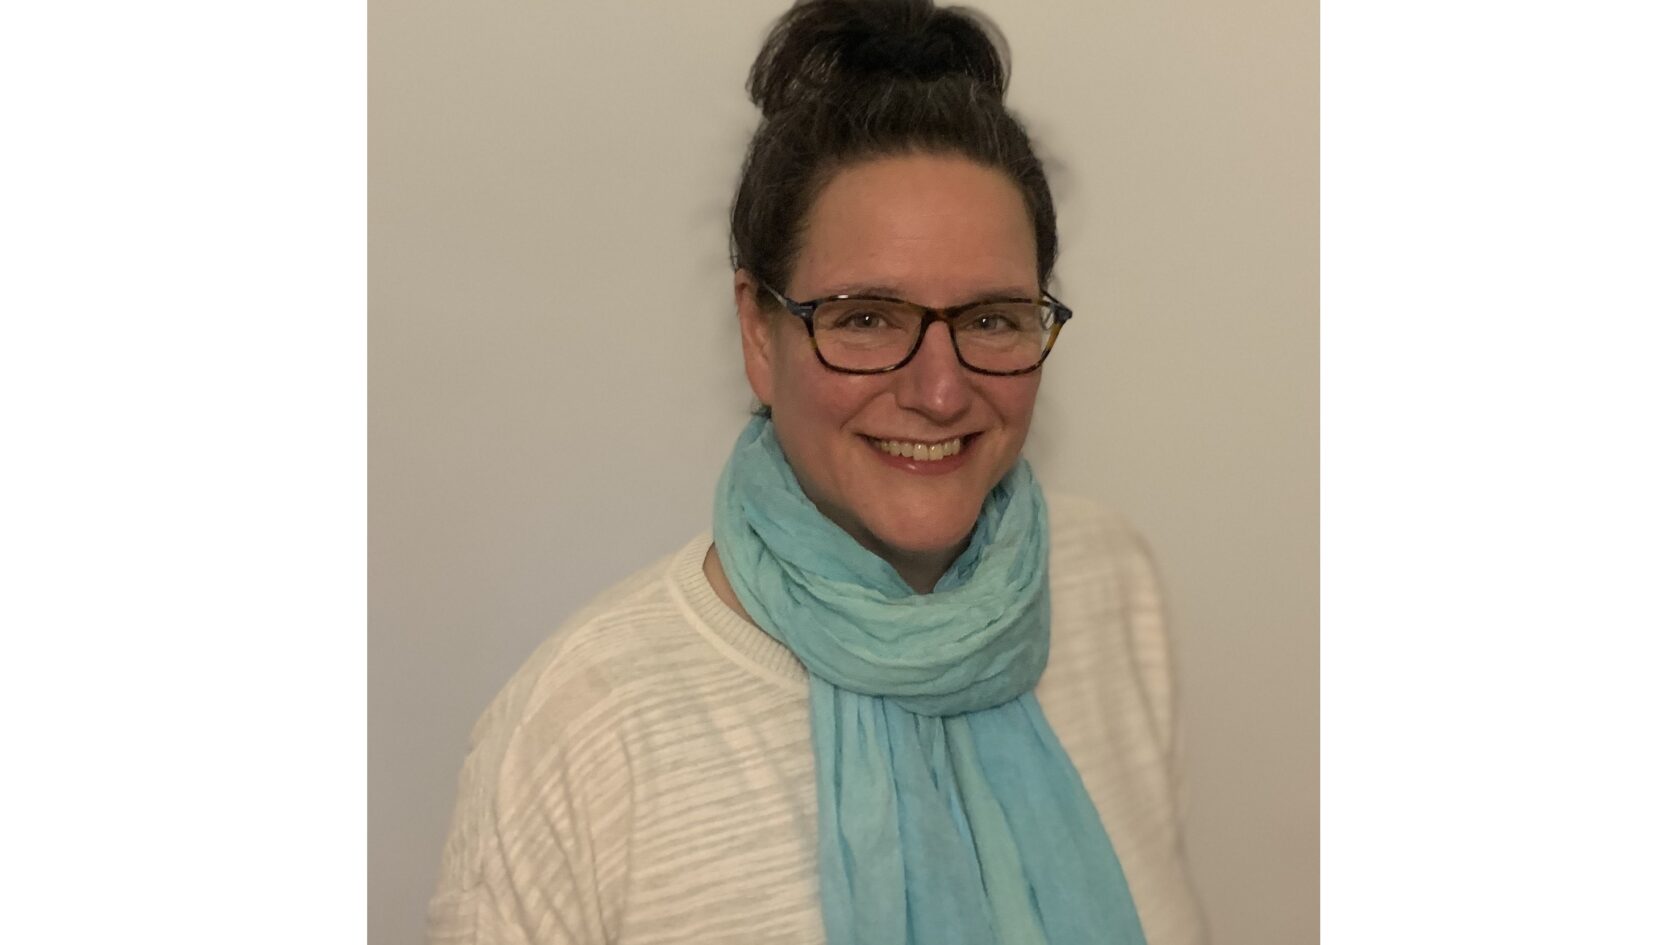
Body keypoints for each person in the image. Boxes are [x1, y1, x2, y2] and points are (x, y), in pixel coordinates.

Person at [427, 1, 1206, 942]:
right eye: (866, 318)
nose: (940, 391)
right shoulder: (586, 728)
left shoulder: (1110, 590)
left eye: (992, 318)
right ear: (759, 333)